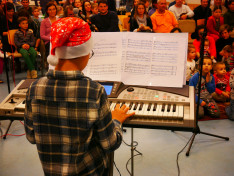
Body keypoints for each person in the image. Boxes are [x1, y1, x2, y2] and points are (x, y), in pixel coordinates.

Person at [24, 17, 135, 176]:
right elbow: (109, 144)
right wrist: (116, 120)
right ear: (84, 54)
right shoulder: (94, 91)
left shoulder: (34, 88)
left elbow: (31, 136)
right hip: (89, 171)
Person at [40, 2, 59, 66]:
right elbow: (42, 36)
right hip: (49, 41)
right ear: (47, 11)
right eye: (50, 10)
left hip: (59, 40)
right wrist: (51, 38)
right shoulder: (44, 21)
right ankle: (51, 65)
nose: (52, 11)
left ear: (56, 10)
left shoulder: (59, 19)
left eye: (53, 9)